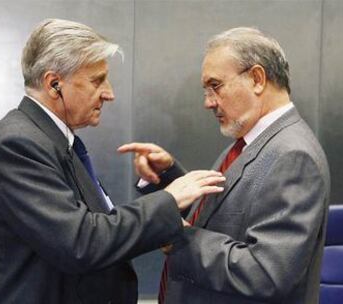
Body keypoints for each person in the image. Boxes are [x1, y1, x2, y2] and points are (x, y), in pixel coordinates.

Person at [0, 18, 226, 304]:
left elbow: (97, 228)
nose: (109, 93)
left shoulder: (52, 141)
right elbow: (82, 242)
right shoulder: (17, 145)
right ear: (54, 84)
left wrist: (167, 180)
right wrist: (168, 199)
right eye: (97, 80)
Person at [119, 27, 330, 304]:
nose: (207, 102)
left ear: (257, 79)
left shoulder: (293, 156)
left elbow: (267, 273)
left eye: (215, 86)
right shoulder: (252, 140)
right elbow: (223, 214)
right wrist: (168, 177)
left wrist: (177, 237)